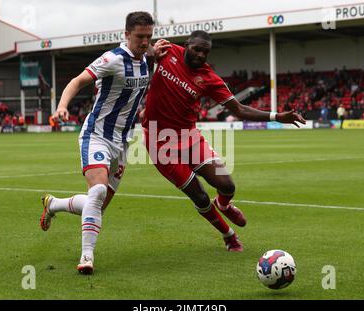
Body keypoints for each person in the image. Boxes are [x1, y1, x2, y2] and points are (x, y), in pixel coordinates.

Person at [142, 31, 306, 252]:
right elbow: (137, 49)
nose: (200, 55)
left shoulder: (208, 78)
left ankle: (223, 204)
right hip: (158, 141)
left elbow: (239, 109)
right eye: (196, 49)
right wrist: (150, 52)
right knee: (198, 193)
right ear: (186, 45)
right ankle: (229, 235)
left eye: (205, 52)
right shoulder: (167, 51)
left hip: (189, 137)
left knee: (227, 184)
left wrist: (277, 117)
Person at [39, 12, 169, 275]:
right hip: (96, 134)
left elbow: (141, 84)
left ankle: (54, 204)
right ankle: (87, 257)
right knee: (97, 194)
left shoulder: (147, 59)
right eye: (139, 37)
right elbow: (77, 81)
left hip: (122, 143)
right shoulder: (112, 59)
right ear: (126, 34)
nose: (145, 42)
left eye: (148, 37)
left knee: (97, 203)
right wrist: (62, 106)